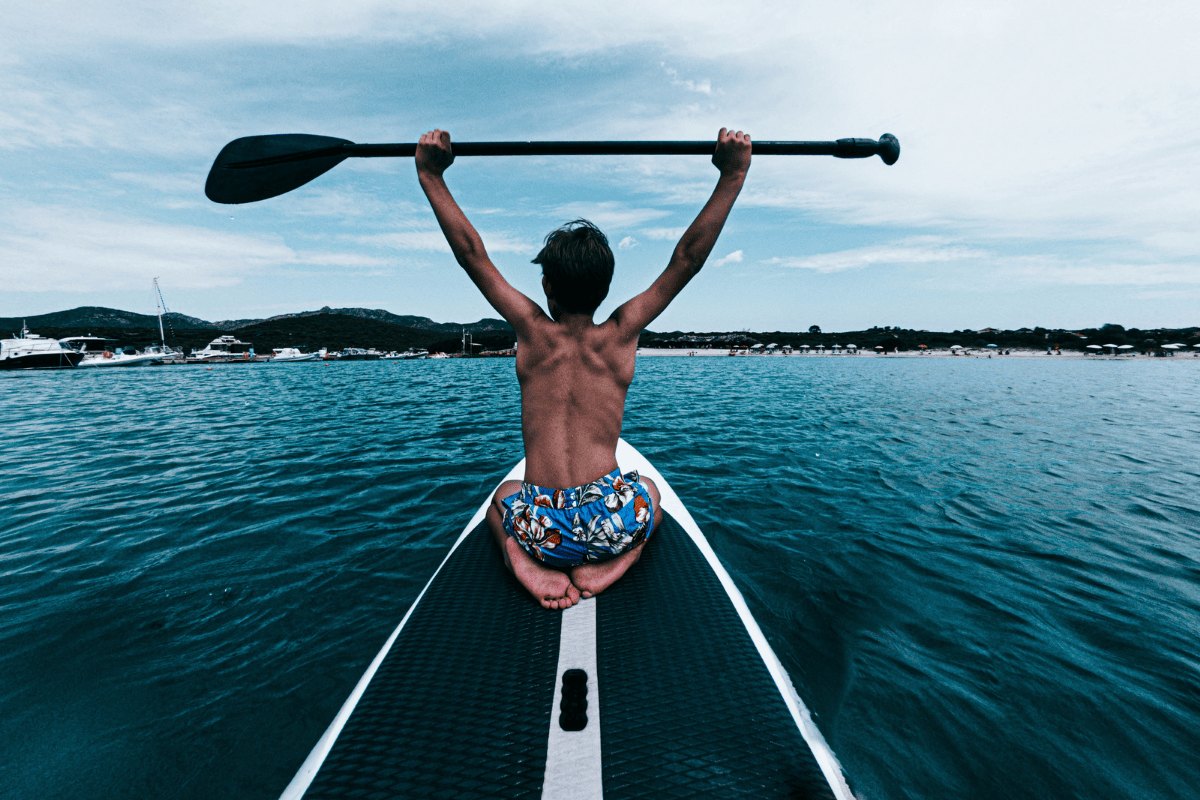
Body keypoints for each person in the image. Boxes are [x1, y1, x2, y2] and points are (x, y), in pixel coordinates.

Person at [415, 126, 751, 609]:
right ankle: (623, 559)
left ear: (547, 285)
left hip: (542, 532)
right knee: (652, 494)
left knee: (501, 498)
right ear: (607, 287)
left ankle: (518, 559)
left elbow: (472, 255)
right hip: (612, 527)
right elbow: (687, 258)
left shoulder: (531, 329)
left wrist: (431, 175)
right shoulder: (621, 332)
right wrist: (732, 174)